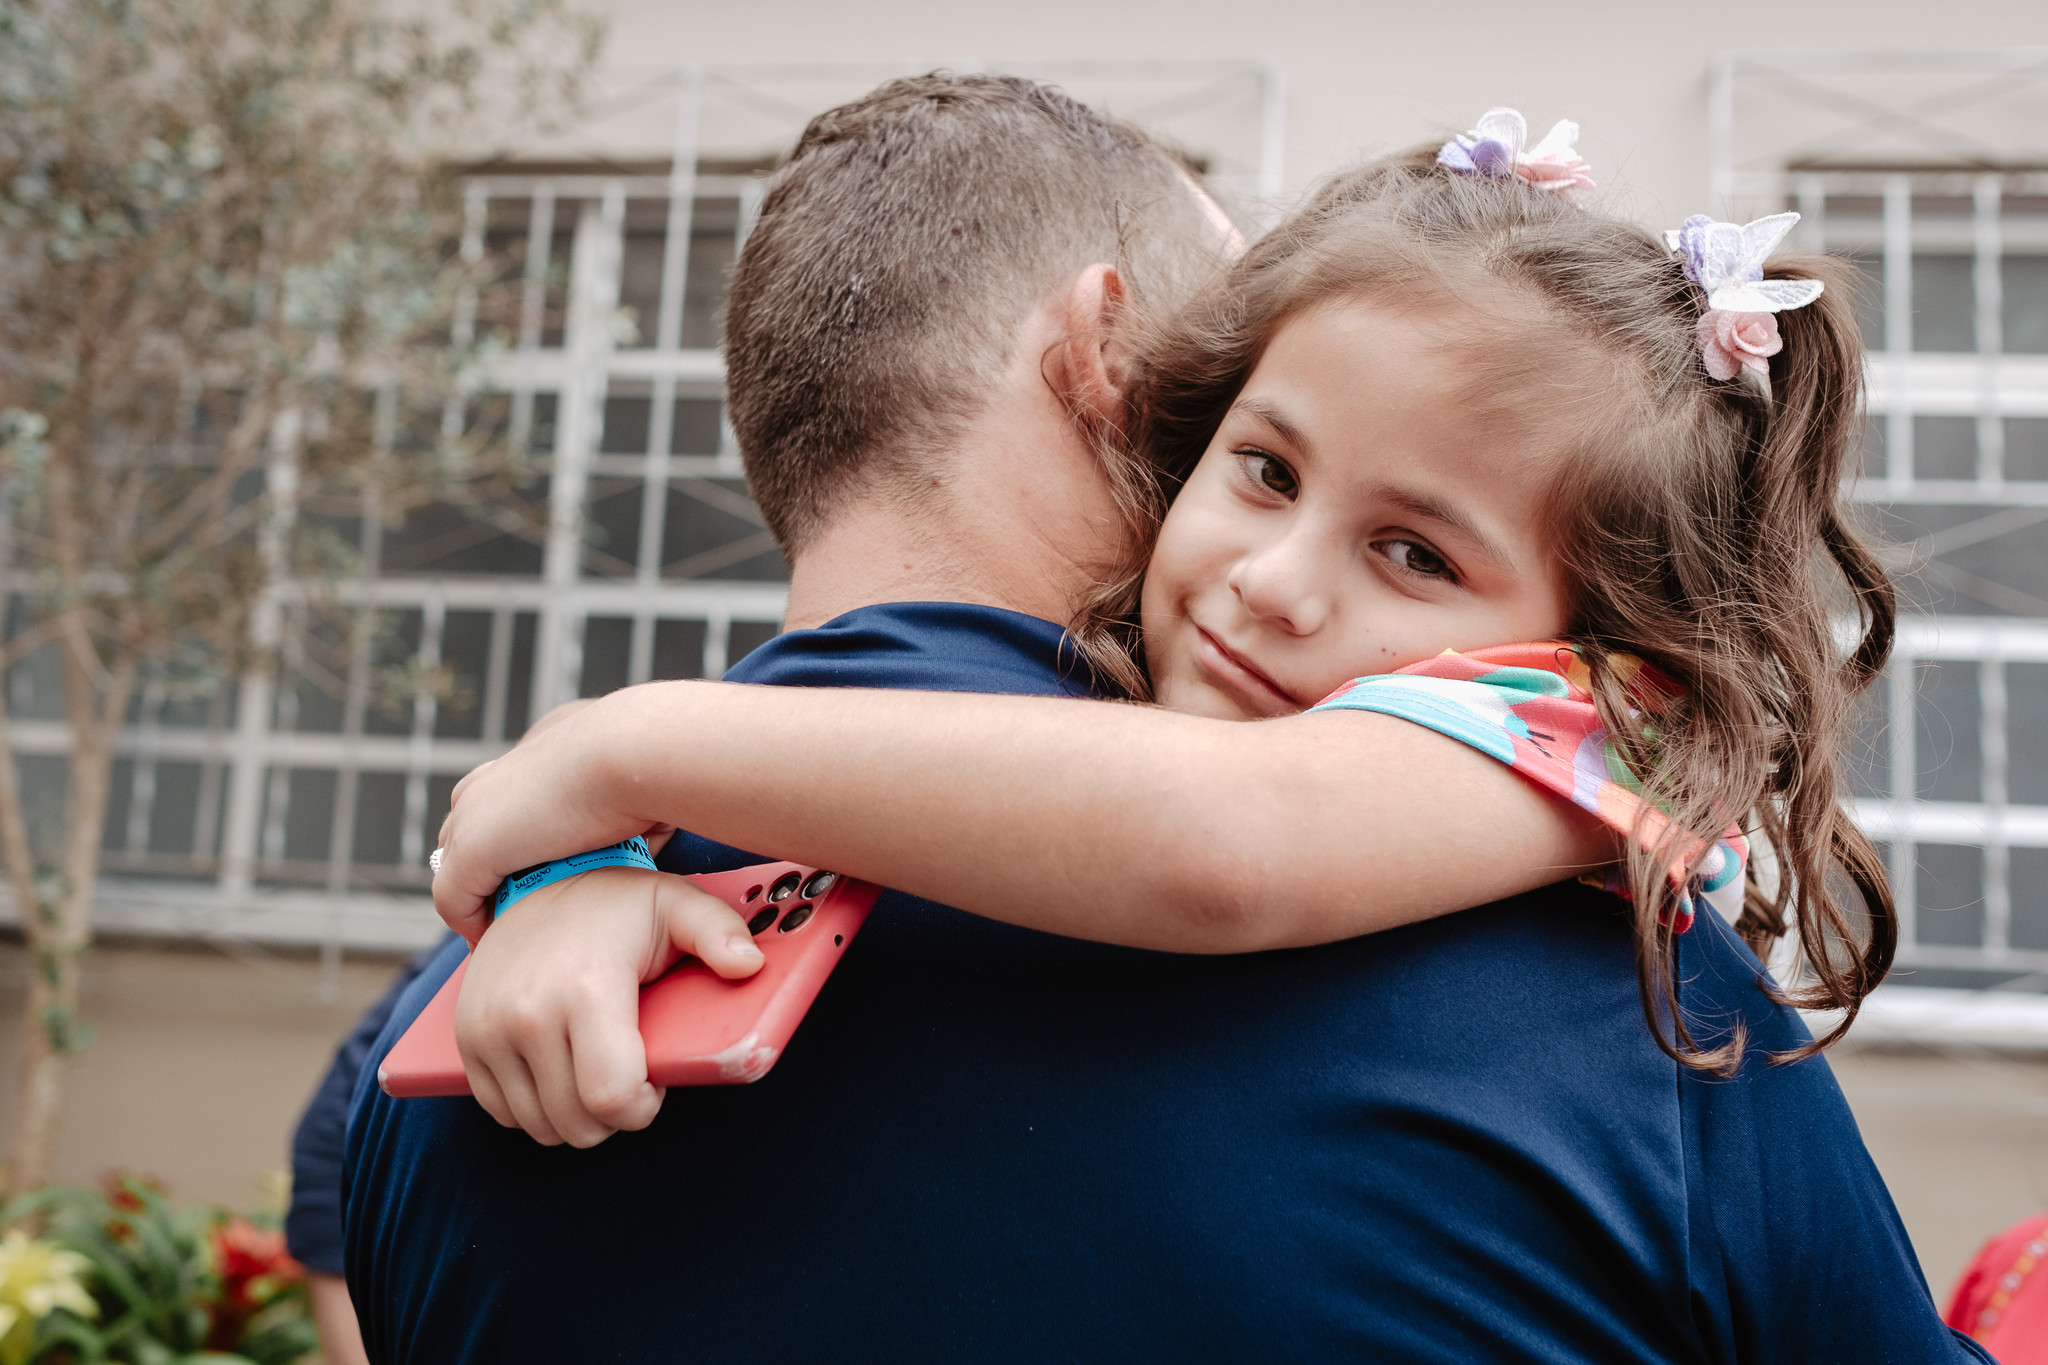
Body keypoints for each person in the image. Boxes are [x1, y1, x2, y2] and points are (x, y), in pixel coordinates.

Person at [350, 84, 1983, 1362]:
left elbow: (1223, 838)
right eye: (1258, 463)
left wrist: (613, 767)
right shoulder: (1642, 1036)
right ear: (1119, 374)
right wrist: (580, 876)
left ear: (1622, 651)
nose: (1274, 581)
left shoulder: (429, 1063)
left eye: (1414, 551)